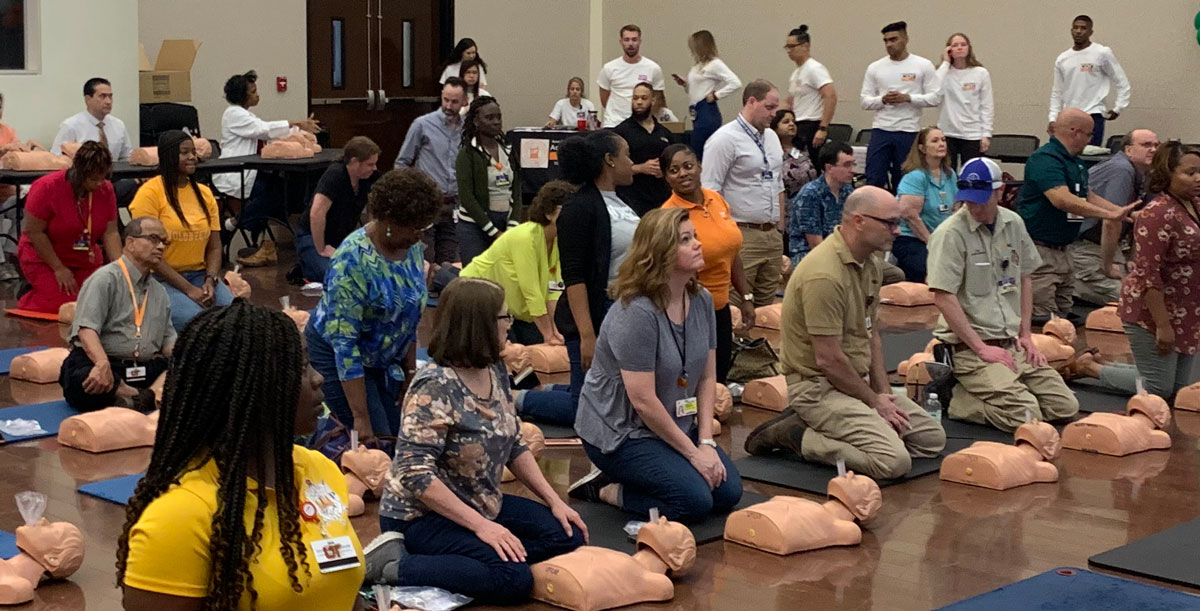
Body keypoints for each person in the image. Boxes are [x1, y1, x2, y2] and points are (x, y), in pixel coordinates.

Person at [118, 302, 363, 609]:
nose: (318, 379)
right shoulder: (180, 515)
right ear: (246, 388)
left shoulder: (319, 469)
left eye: (311, 364)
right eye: (300, 368)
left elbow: (343, 590)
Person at [365, 277, 587, 605]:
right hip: (421, 516)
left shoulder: (494, 367)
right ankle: (394, 564)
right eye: (504, 317)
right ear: (478, 323)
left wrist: (556, 502)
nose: (509, 325)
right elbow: (415, 474)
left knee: (569, 535)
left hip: (480, 501)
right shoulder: (434, 386)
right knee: (513, 578)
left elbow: (513, 443)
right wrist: (482, 527)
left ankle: (478, 560)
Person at [744, 186, 947, 480]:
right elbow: (828, 359)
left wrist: (883, 394)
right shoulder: (824, 274)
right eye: (889, 222)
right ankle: (798, 435)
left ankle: (849, 430)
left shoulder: (871, 263)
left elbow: (872, 333)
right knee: (893, 462)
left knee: (931, 440)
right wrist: (873, 402)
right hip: (818, 389)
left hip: (855, 383)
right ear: (859, 221)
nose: (897, 230)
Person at [569, 208, 743, 523]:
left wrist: (705, 442)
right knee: (694, 502)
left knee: (728, 492)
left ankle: (672, 467)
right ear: (659, 253)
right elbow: (643, 400)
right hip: (622, 432)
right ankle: (607, 488)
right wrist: (694, 456)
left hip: (675, 423)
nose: (698, 245)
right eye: (685, 240)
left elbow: (706, 378)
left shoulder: (702, 299)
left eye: (695, 237)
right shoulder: (637, 311)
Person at [926, 157, 1079, 432]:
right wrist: (982, 349)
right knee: (1029, 417)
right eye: (968, 200)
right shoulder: (950, 234)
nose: (973, 207)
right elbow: (943, 297)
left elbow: (1024, 278)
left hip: (1011, 343)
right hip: (970, 351)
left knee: (1065, 407)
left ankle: (1000, 389)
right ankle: (957, 400)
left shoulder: (1013, 223)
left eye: (981, 199)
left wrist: (1026, 336)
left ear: (1000, 191)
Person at [306, 168, 440, 442]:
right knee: (375, 440)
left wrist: (409, 371)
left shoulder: (411, 247)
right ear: (388, 220)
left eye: (423, 228)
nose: (419, 237)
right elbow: (345, 345)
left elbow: (410, 316)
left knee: (403, 435)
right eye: (414, 228)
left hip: (384, 355)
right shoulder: (352, 261)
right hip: (338, 356)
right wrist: (360, 417)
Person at [1073, 142, 1200, 400]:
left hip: (1185, 306)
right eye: (1190, 173)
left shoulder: (1194, 204)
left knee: (1178, 390)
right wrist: (1163, 326)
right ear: (1168, 173)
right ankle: (1090, 368)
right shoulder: (1157, 214)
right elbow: (1148, 276)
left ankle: (1105, 364)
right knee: (1158, 389)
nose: (1198, 179)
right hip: (1152, 309)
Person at [1017, 108, 1135, 321]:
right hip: (1041, 251)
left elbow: (1087, 195)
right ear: (1076, 132)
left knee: (1063, 316)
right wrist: (1104, 214)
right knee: (1041, 318)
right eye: (1090, 134)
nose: (1090, 140)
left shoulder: (1075, 162)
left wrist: (1117, 212)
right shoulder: (1045, 159)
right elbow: (1061, 199)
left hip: (1065, 250)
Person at [554, 130, 637, 414]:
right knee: (589, 402)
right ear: (609, 160)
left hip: (625, 308)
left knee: (617, 397)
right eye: (626, 154)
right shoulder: (579, 207)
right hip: (596, 312)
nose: (631, 161)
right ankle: (526, 400)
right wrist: (587, 334)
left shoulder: (624, 201)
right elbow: (574, 275)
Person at [59, 217, 174, 413]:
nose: (161, 246)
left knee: (188, 371)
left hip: (141, 368)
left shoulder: (159, 292)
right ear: (130, 243)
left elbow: (168, 342)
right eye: (154, 239)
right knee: (85, 380)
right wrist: (102, 363)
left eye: (164, 242)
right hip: (103, 362)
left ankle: (135, 397)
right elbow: (87, 331)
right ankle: (142, 397)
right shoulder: (105, 279)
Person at [660, 144, 754, 383]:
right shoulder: (668, 214)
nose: (683, 173)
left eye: (688, 166)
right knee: (694, 379)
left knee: (719, 374)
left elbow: (731, 253)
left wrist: (746, 297)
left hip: (720, 306)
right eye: (674, 170)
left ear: (700, 167)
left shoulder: (717, 199)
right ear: (666, 178)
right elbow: (669, 269)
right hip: (689, 310)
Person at [212, 70, 320, 266]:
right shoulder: (233, 113)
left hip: (251, 171)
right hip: (234, 172)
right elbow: (263, 130)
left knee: (283, 191)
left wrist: (299, 131)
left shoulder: (247, 115)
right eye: (253, 91)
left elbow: (268, 131)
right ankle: (233, 224)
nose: (257, 94)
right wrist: (295, 123)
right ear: (242, 96)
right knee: (274, 196)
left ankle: (262, 242)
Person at [129, 130, 232, 332]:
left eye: (193, 152)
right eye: (185, 152)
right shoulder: (149, 193)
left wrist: (210, 279)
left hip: (200, 274)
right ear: (169, 156)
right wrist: (188, 290)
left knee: (235, 317)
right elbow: (150, 255)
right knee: (197, 323)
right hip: (159, 278)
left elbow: (214, 246)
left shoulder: (205, 193)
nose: (192, 157)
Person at [701, 80, 785, 309]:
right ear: (751, 102)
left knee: (768, 310)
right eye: (769, 107)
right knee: (737, 306)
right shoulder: (724, 139)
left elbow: (778, 183)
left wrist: (780, 229)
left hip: (771, 234)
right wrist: (724, 235)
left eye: (776, 108)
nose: (774, 114)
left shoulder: (772, 137)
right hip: (741, 233)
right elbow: (710, 192)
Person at [461, 180, 571, 346]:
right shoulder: (525, 237)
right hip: (477, 298)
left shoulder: (558, 240)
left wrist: (556, 331)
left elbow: (554, 290)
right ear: (549, 213)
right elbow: (531, 291)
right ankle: (442, 275)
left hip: (513, 308)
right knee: (515, 354)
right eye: (567, 210)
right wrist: (548, 336)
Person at [16, 142, 121, 313]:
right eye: (94, 179)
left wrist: (120, 269)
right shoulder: (46, 187)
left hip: (83, 256)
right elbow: (34, 232)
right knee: (66, 305)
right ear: (78, 173)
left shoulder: (105, 190)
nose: (100, 184)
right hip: (45, 257)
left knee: (101, 301)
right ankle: (28, 295)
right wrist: (58, 268)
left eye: (104, 178)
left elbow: (111, 233)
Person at [1070, 129, 1159, 305]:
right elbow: (1111, 221)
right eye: (1146, 145)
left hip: (1106, 245)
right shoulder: (1122, 169)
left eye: (1157, 145)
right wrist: (1107, 266)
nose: (1154, 149)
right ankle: (1075, 284)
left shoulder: (1145, 174)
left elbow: (1141, 220)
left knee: (1145, 290)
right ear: (1128, 150)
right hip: (1082, 247)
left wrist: (1133, 258)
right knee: (1134, 300)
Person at [859, 21, 940, 191]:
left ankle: (901, 214)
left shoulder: (923, 65)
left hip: (908, 130)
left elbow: (935, 98)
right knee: (874, 177)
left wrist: (908, 98)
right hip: (881, 129)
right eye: (886, 41)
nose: (889, 44)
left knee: (903, 177)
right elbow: (864, 101)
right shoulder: (875, 67)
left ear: (906, 39)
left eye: (894, 39)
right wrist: (883, 100)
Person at [395, 78, 466, 265]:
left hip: (455, 205)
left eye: (454, 102)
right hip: (427, 203)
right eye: (445, 100)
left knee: (450, 263)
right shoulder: (422, 124)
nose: (449, 106)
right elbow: (402, 162)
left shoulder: (467, 129)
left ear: (464, 101)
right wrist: (411, 193)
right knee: (425, 261)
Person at [295, 136, 380, 283]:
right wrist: (321, 248)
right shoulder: (335, 174)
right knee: (333, 275)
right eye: (370, 164)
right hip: (313, 235)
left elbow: (374, 210)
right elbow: (317, 213)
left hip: (341, 238)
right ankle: (305, 265)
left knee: (365, 270)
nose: (374, 168)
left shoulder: (369, 177)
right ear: (354, 162)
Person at [456, 96, 521, 265]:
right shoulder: (468, 154)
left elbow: (517, 192)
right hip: (475, 226)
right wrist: (493, 232)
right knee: (475, 280)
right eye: (489, 118)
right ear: (476, 121)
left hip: (505, 223)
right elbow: (467, 198)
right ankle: (442, 275)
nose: (496, 122)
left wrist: (511, 228)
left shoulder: (508, 150)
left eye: (498, 117)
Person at [1048, 15, 1131, 147]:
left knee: (1089, 156)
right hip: (1070, 116)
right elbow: (1057, 91)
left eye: (1083, 28)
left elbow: (1122, 81)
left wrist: (1118, 107)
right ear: (1071, 30)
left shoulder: (1101, 53)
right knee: (1066, 155)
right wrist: (1053, 118)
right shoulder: (1063, 58)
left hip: (1093, 114)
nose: (1079, 31)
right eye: (1075, 28)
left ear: (1090, 32)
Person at [893, 127, 957, 282]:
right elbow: (910, 215)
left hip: (941, 239)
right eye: (934, 141)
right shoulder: (915, 177)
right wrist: (932, 243)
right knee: (935, 273)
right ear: (922, 148)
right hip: (913, 240)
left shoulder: (950, 174)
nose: (941, 144)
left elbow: (956, 208)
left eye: (943, 140)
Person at [672, 30, 741, 159]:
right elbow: (695, 90)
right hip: (696, 111)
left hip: (707, 111)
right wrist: (685, 84)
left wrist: (717, 95)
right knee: (698, 149)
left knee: (703, 150)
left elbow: (735, 82)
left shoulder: (715, 64)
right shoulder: (697, 66)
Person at [613, 83, 673, 216]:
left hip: (661, 199)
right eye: (635, 98)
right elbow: (612, 168)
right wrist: (640, 168)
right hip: (632, 199)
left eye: (644, 98)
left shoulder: (664, 133)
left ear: (653, 101)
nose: (639, 102)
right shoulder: (621, 132)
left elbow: (673, 164)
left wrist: (664, 171)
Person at [789, 141, 855, 264]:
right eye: (847, 165)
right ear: (829, 168)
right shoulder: (810, 194)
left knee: (893, 273)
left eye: (853, 164)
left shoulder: (848, 191)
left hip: (842, 253)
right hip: (810, 256)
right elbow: (816, 244)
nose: (852, 170)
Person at [935, 33, 994, 169]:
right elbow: (934, 90)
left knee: (971, 174)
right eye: (955, 45)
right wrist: (945, 62)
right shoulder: (943, 72)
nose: (959, 48)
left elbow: (987, 105)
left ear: (969, 48)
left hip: (972, 133)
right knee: (948, 173)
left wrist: (986, 134)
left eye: (963, 44)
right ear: (949, 50)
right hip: (947, 132)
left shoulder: (980, 73)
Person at [784, 25, 837, 161]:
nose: (789, 51)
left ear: (805, 46)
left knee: (814, 165)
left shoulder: (814, 68)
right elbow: (790, 102)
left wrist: (823, 128)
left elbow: (830, 95)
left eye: (792, 46)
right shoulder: (796, 72)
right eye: (787, 47)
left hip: (812, 126)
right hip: (798, 125)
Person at [598, 24, 666, 128]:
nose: (630, 44)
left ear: (640, 42)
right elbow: (604, 99)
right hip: (614, 123)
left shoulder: (653, 68)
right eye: (627, 40)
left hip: (642, 125)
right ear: (621, 42)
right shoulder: (609, 68)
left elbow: (657, 99)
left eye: (634, 40)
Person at [50, 77, 132, 161]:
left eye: (110, 96)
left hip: (115, 172)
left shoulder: (118, 125)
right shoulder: (70, 126)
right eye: (102, 96)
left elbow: (126, 157)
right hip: (82, 173)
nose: (108, 101)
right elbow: (56, 159)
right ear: (88, 99)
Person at [774, 110, 816, 199]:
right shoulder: (772, 151)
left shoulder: (804, 147)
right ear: (774, 127)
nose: (791, 124)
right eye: (786, 122)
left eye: (793, 122)